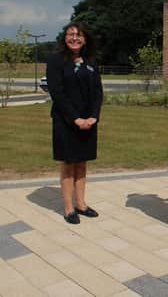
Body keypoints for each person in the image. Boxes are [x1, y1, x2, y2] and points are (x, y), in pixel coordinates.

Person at [46, 22, 103, 224]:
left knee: (82, 163)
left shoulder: (90, 62)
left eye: (79, 35)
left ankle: (81, 203)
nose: (75, 38)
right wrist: (76, 119)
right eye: (70, 34)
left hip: (88, 122)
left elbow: (97, 92)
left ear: (85, 39)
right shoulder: (55, 61)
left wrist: (93, 117)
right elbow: (57, 93)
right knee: (69, 164)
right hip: (66, 122)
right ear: (64, 38)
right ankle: (69, 208)